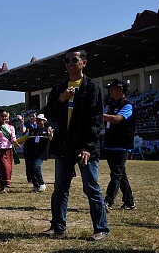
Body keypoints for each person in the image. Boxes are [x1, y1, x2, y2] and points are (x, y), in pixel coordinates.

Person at [41, 49, 109, 240]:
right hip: (63, 146)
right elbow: (49, 114)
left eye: (74, 60)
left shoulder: (92, 88)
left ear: (84, 63)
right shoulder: (59, 88)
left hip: (84, 147)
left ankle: (101, 229)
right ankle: (57, 226)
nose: (70, 63)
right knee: (60, 187)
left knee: (91, 187)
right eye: (67, 60)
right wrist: (61, 99)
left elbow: (96, 120)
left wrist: (87, 146)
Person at [103, 78, 136, 211]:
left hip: (121, 145)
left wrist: (100, 115)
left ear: (121, 89)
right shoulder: (112, 105)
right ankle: (129, 201)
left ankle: (107, 201)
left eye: (112, 88)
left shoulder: (128, 105)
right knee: (120, 174)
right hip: (111, 144)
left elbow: (117, 120)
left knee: (116, 174)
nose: (110, 91)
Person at [0, 110, 21, 193]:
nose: (4, 118)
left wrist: (15, 143)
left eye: (5, 116)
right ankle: (3, 185)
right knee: (2, 167)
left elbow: (13, 137)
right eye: (2, 116)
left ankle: (6, 184)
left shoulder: (11, 127)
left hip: (8, 149)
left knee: (8, 167)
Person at [22, 114, 51, 192]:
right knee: (31, 169)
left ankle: (42, 184)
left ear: (44, 121)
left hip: (41, 153)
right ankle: (36, 185)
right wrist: (13, 142)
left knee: (36, 167)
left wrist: (50, 133)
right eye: (37, 120)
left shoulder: (47, 131)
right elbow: (23, 138)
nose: (38, 122)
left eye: (40, 120)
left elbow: (52, 139)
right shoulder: (32, 131)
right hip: (32, 152)